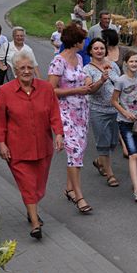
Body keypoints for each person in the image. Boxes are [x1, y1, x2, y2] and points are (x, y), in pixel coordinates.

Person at [0, 52, 64, 239]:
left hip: (43, 146)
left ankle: (31, 207)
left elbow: (54, 113)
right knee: (28, 185)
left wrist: (58, 134)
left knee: (39, 187)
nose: (26, 71)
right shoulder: (6, 91)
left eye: (29, 68)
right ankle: (35, 224)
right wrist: (1, 143)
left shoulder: (46, 88)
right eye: (22, 68)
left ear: (34, 69)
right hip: (17, 149)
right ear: (15, 71)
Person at [48, 23, 93, 214]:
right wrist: (76, 89)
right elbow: (50, 90)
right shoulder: (58, 61)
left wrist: (88, 81)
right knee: (73, 152)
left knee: (79, 152)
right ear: (75, 42)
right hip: (65, 113)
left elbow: (81, 79)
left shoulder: (79, 59)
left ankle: (69, 188)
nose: (85, 42)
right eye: (82, 39)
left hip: (82, 111)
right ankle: (79, 196)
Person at [112, 52, 137, 201]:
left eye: (136, 61)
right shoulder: (121, 81)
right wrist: (125, 113)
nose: (134, 64)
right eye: (131, 61)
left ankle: (136, 182)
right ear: (126, 63)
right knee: (132, 154)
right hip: (124, 122)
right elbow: (114, 101)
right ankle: (136, 190)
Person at [84, 37, 122, 187]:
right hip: (98, 111)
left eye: (101, 48)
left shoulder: (113, 66)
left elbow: (121, 83)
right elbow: (89, 89)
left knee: (113, 142)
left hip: (115, 109)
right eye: (96, 48)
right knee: (103, 143)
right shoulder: (87, 69)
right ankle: (110, 175)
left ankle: (100, 161)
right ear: (90, 52)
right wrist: (101, 80)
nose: (99, 51)